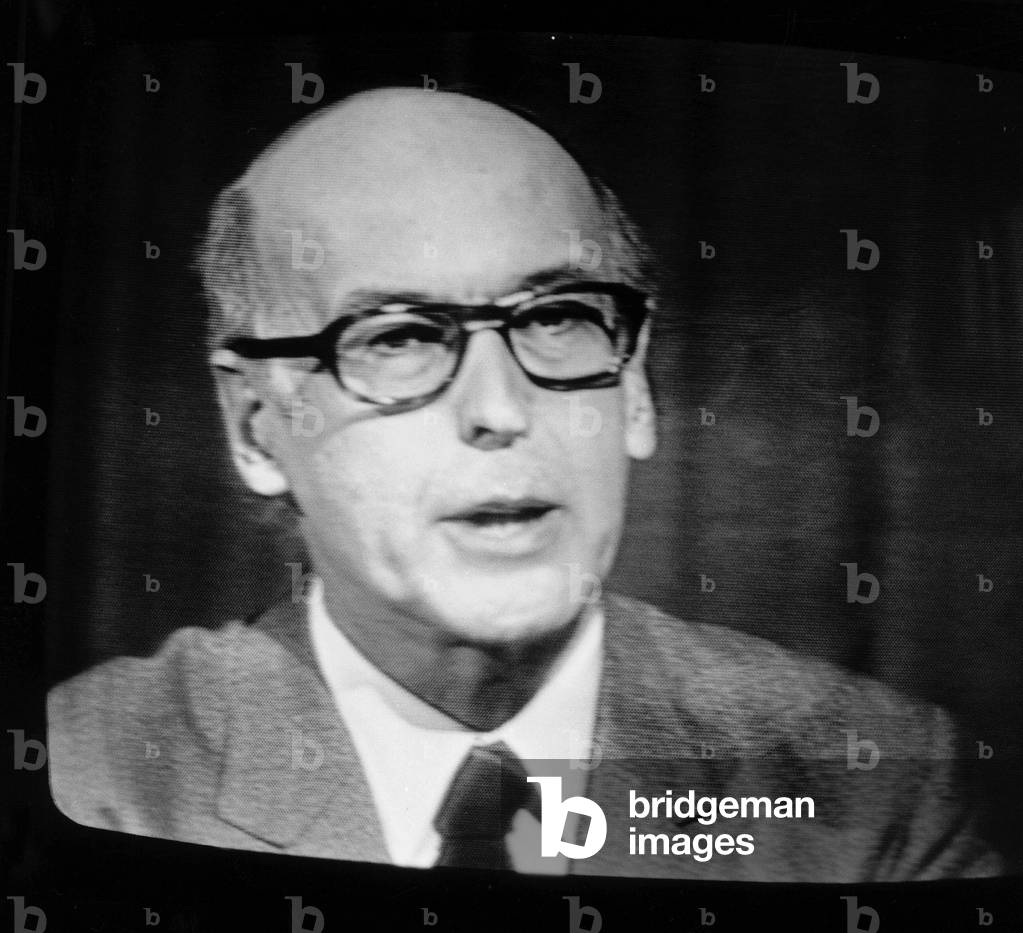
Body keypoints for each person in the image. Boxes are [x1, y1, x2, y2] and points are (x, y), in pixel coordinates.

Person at [47, 87, 1000, 880]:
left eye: (556, 318)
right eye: (400, 338)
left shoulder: (873, 784)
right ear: (256, 427)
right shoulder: (98, 770)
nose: (499, 408)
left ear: (632, 385)